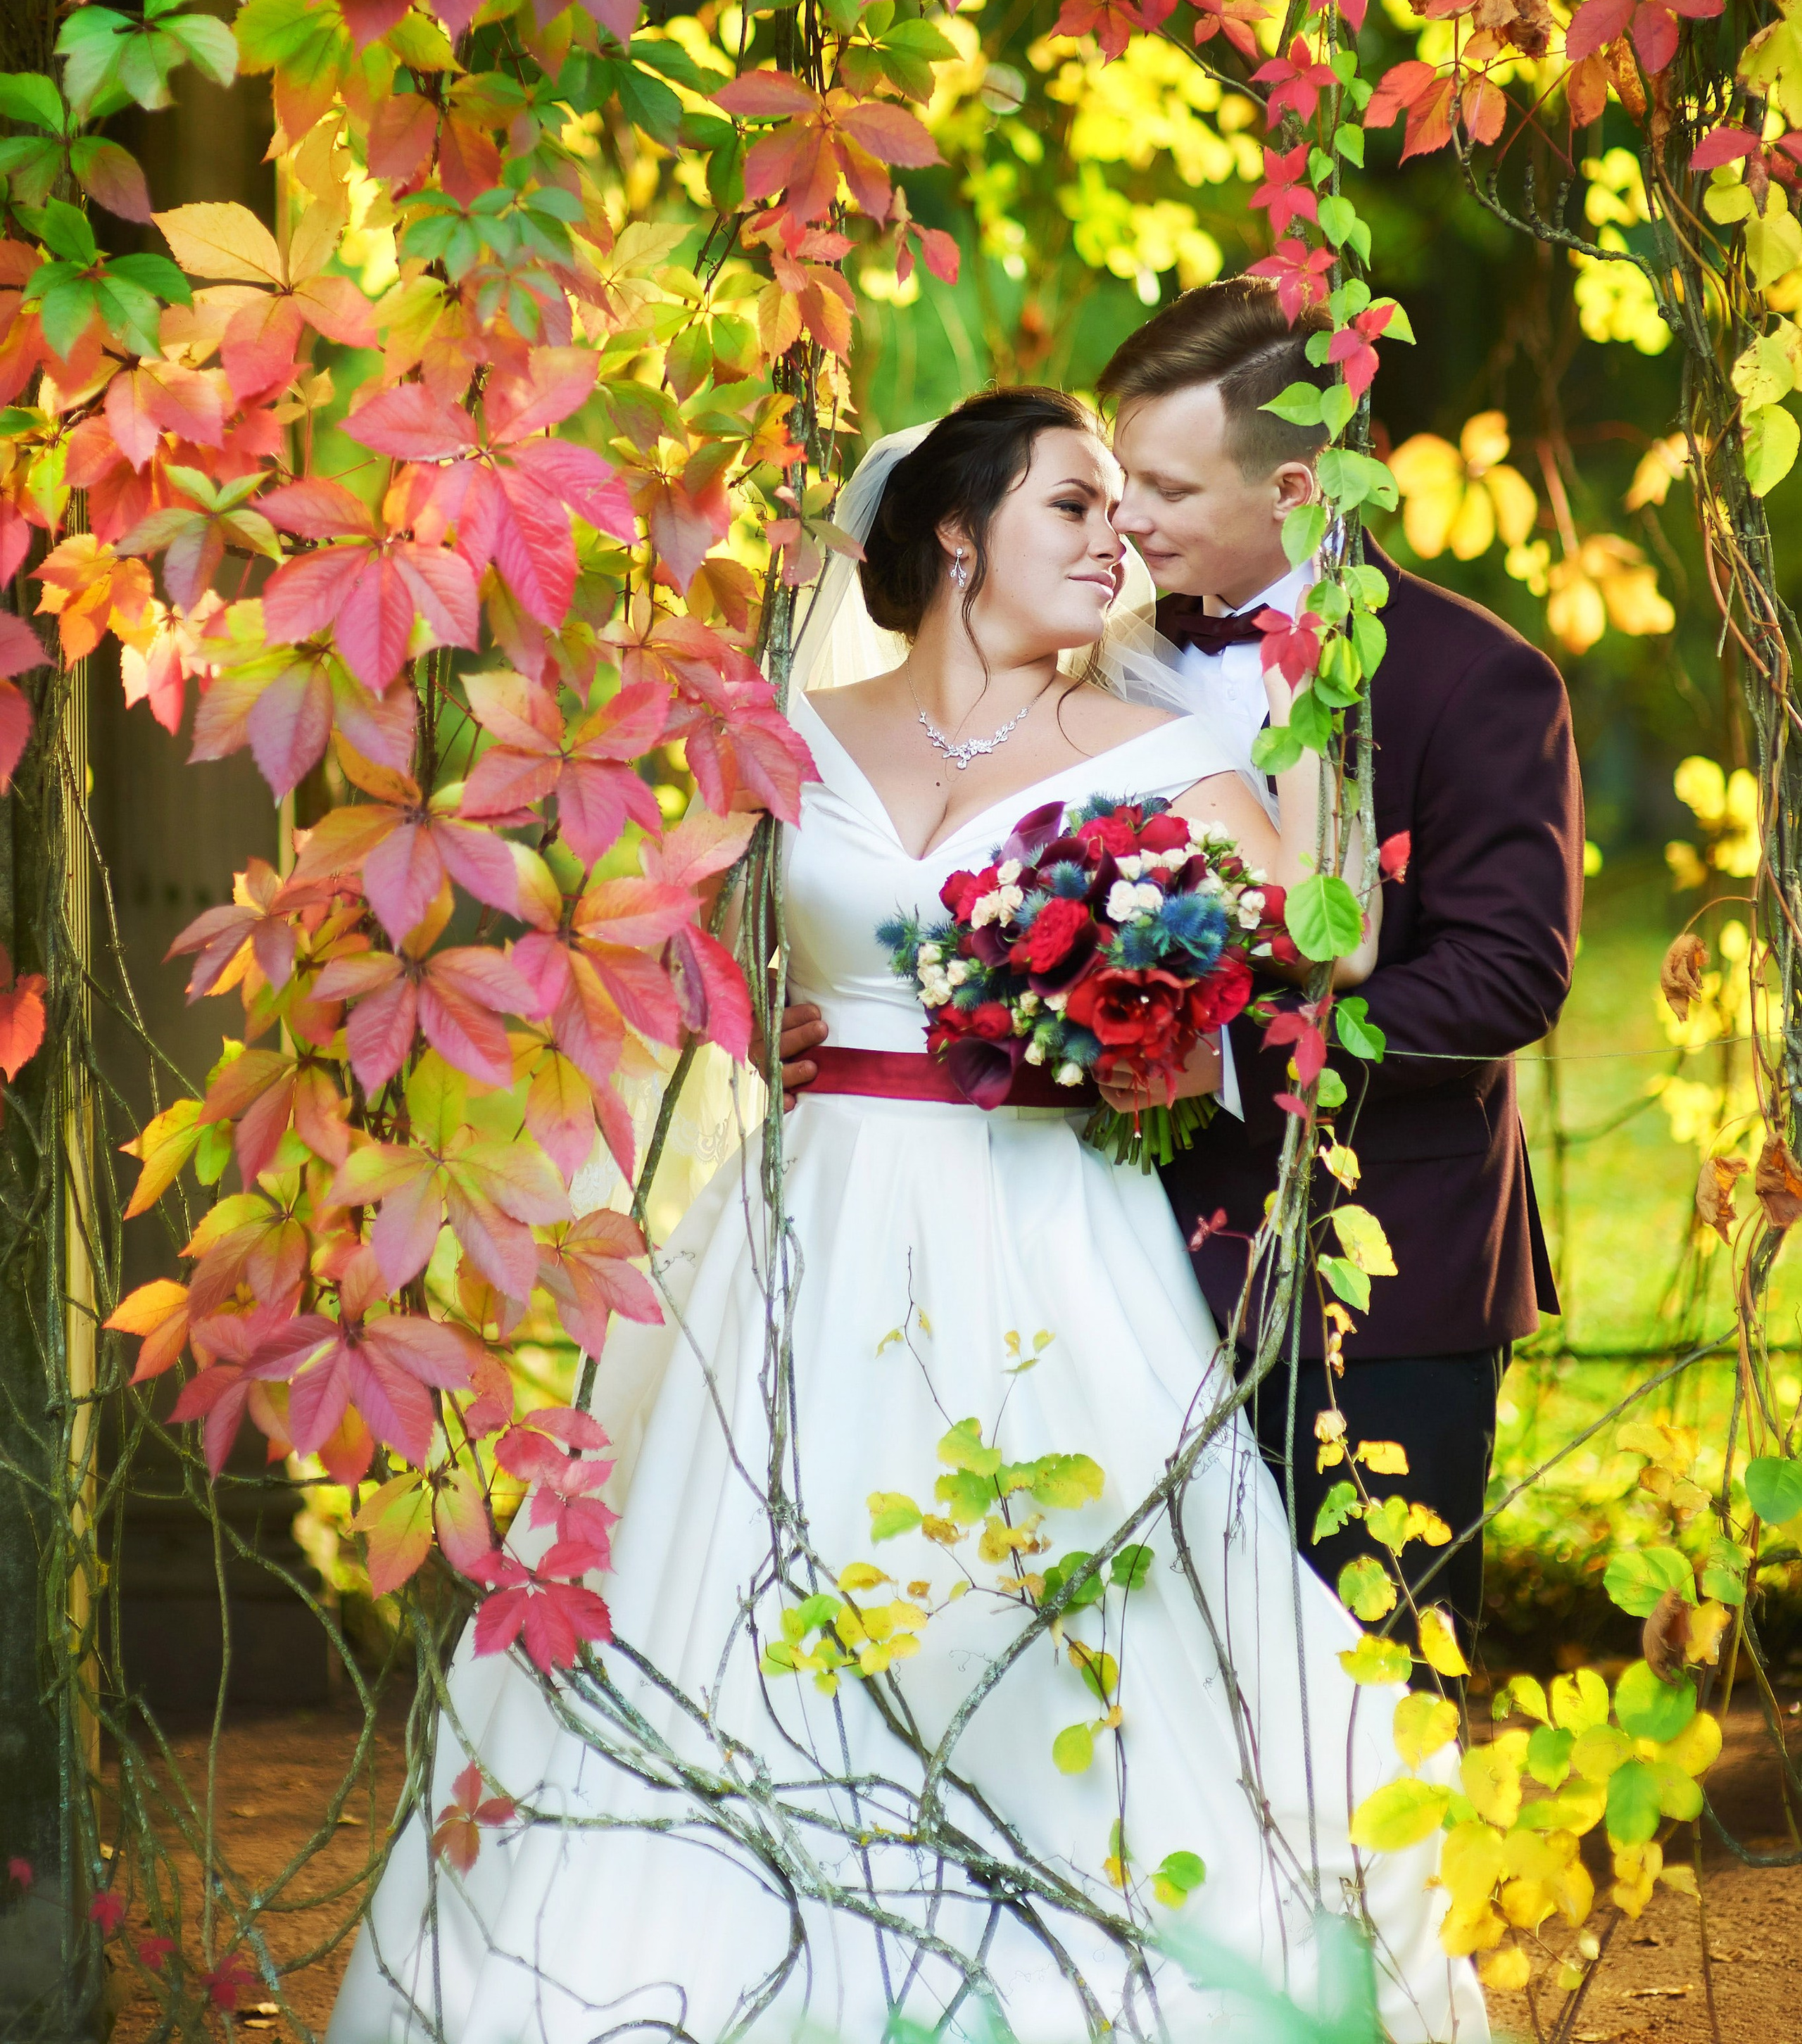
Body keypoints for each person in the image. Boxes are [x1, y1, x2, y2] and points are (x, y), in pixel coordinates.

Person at [328, 389, 1484, 2044]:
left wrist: (1303, 754)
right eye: (1072, 508)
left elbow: (1337, 940)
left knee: (1037, 1601)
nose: (1116, 543)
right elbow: (668, 944)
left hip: (1041, 1228)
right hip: (803, 1226)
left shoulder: (1169, 755)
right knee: (734, 1603)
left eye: (1119, 513)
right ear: (957, 532)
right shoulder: (791, 736)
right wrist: (748, 1020)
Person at [1100, 278, 1582, 1658]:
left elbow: (1503, 981)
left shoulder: (1473, 679)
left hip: (1382, 1275)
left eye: (1164, 484)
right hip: (1122, 1272)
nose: (1124, 514)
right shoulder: (1086, 671)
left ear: (1296, 484)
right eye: (1118, 470)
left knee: (1375, 1688)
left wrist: (1218, 1033)